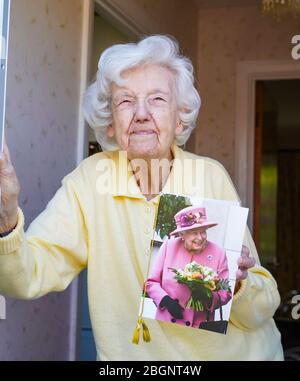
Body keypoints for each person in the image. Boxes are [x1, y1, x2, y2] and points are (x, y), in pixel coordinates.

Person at [0, 35, 283, 360]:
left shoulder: (207, 176)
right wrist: (6, 221)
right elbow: (27, 276)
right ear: (110, 124)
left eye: (158, 99)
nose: (142, 113)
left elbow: (264, 305)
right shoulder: (90, 180)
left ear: (180, 119)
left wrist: (237, 286)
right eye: (125, 101)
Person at [146, 206, 232, 328]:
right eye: (194, 233)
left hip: (198, 327)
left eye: (203, 231)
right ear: (182, 234)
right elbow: (151, 283)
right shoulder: (168, 247)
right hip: (166, 322)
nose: (200, 237)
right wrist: (166, 301)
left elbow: (225, 293)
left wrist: (208, 298)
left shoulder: (218, 252)